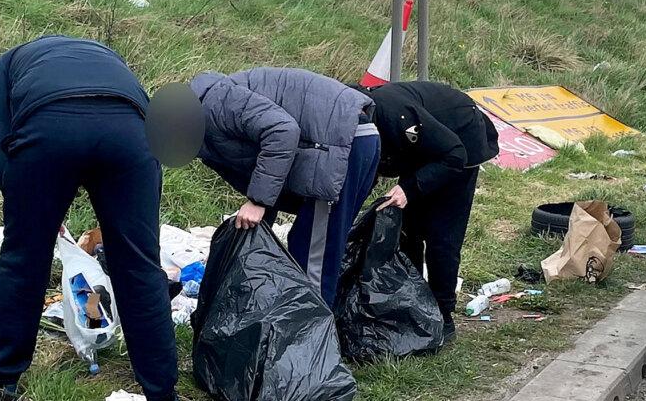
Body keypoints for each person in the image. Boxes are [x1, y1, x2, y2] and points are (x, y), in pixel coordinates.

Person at [0, 35, 180, 401]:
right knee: (139, 265)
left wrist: (32, 208)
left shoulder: (6, 66)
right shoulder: (112, 58)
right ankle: (160, 399)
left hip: (49, 128)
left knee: (24, 258)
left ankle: (1, 382)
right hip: (131, 136)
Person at [190, 68, 380, 307]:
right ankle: (305, 330)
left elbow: (282, 131)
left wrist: (258, 201)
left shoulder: (216, 103)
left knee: (313, 260)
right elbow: (262, 164)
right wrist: (256, 222)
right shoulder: (209, 120)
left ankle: (309, 339)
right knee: (307, 242)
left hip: (339, 144)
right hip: (346, 140)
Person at [355, 80, 499, 342]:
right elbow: (369, 169)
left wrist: (409, 189)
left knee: (442, 236)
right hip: (422, 149)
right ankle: (414, 303)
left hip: (460, 141)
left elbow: (453, 154)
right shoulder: (361, 122)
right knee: (408, 229)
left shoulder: (396, 117)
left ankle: (443, 315)